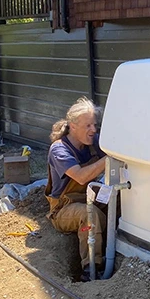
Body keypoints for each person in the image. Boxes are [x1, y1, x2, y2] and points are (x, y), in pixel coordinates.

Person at [44, 97, 108, 281]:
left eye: (94, 125)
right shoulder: (59, 150)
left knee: (120, 201)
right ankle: (91, 268)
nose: (93, 130)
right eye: (88, 126)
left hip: (90, 196)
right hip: (64, 207)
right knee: (88, 215)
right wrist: (109, 158)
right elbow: (81, 176)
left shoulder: (93, 142)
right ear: (73, 126)